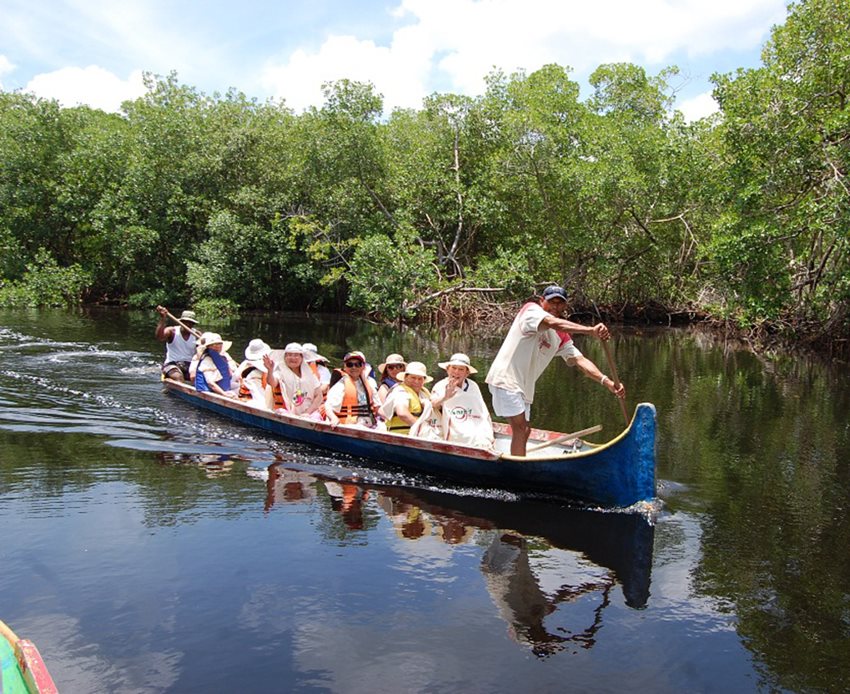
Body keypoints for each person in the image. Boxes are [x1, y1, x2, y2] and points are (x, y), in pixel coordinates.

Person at [485, 285, 625, 456]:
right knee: (521, 428)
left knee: (525, 431)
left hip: (524, 387)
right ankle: (518, 471)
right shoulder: (531, 311)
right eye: (552, 302)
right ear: (542, 301)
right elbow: (552, 322)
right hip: (505, 378)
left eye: (560, 303)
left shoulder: (560, 337)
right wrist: (590, 330)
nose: (555, 307)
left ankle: (518, 463)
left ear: (565, 306)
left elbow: (580, 361)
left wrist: (608, 382)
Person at [430, 353, 495, 449]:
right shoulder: (441, 385)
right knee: (465, 437)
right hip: (455, 429)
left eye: (461, 369)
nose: (456, 372)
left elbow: (481, 411)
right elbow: (433, 404)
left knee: (483, 438)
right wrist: (445, 396)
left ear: (467, 373)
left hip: (476, 425)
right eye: (453, 368)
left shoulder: (473, 386)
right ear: (447, 369)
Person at [264, 343, 324, 418]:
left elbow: (319, 396)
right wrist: (270, 370)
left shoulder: (309, 373)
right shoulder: (280, 371)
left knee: (316, 416)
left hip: (308, 413)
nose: (292, 358)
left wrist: (307, 413)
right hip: (286, 412)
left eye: (296, 355)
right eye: (289, 355)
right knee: (282, 413)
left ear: (301, 357)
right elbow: (272, 382)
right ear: (285, 357)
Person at [325, 351, 380, 427]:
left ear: (363, 366)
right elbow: (329, 407)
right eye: (349, 365)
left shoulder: (369, 384)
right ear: (345, 367)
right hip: (350, 426)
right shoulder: (341, 385)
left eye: (358, 364)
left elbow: (377, 407)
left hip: (369, 425)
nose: (354, 367)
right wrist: (333, 418)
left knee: (382, 427)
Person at [382, 361, 433, 435]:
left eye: (420, 379)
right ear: (405, 377)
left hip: (417, 438)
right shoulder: (400, 391)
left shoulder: (424, 393)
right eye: (413, 378)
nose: (416, 381)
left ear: (424, 380)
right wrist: (421, 429)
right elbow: (402, 413)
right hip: (401, 437)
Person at [155, 306, 199, 382]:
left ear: (193, 324)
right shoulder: (172, 331)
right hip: (172, 364)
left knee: (201, 379)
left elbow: (203, 352)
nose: (188, 324)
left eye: (190, 323)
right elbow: (159, 337)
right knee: (178, 377)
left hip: (189, 365)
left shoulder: (197, 334)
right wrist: (163, 319)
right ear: (181, 321)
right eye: (185, 322)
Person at [193, 332, 238, 397]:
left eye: (219, 344)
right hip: (212, 390)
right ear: (208, 346)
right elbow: (211, 384)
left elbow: (231, 374)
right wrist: (224, 394)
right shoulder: (207, 360)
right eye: (213, 344)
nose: (217, 346)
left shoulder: (222, 357)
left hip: (224, 386)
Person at [234, 338, 271, 406]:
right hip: (253, 397)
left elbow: (234, 378)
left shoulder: (245, 364)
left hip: (251, 392)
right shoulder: (266, 366)